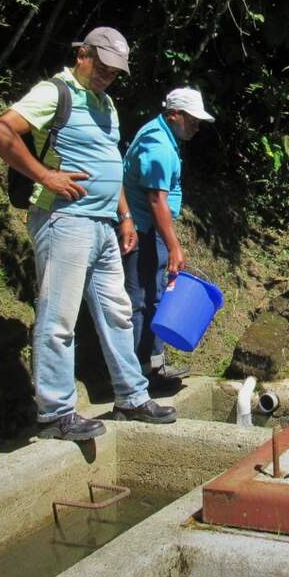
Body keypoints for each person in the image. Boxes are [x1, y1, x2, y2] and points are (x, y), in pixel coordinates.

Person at [0, 27, 176, 440]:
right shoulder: (56, 92)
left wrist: (124, 215)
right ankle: (55, 412)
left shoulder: (106, 103)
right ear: (83, 54)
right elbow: (0, 130)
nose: (108, 76)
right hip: (64, 221)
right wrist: (45, 175)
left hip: (104, 225)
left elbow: (111, 160)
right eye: (103, 67)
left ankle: (132, 397)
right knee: (59, 319)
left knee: (118, 313)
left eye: (114, 71)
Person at [122, 87, 215, 390]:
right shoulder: (159, 145)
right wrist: (174, 246)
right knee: (141, 301)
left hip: (150, 231)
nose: (197, 126)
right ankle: (138, 375)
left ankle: (152, 365)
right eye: (192, 120)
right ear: (174, 114)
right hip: (144, 232)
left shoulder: (162, 136)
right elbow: (155, 200)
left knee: (156, 296)